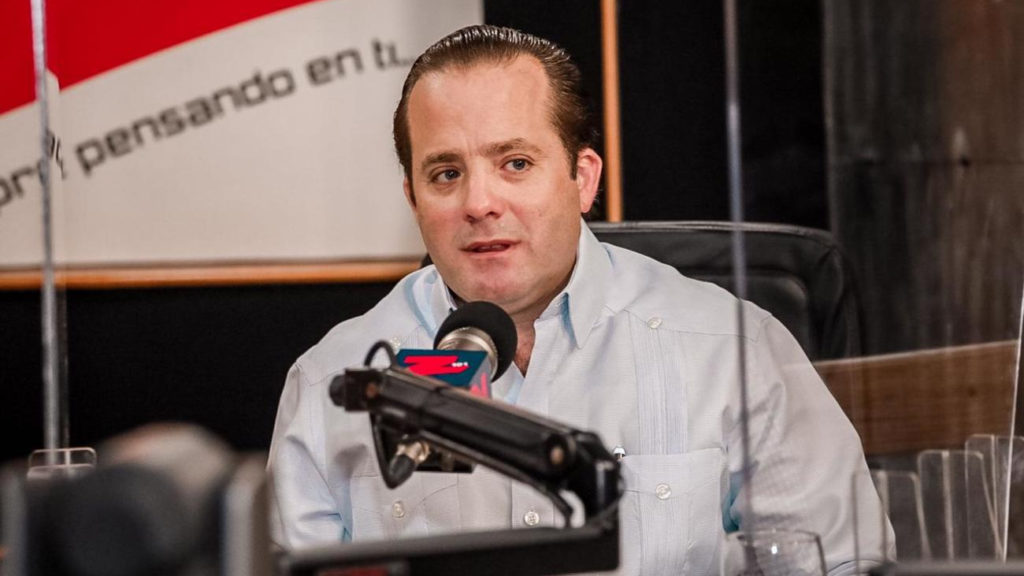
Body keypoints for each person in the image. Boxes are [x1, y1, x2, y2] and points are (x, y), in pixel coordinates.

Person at [268, 24, 890, 575]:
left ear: (583, 178)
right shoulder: (335, 380)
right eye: (446, 174)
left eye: (515, 163)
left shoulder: (732, 349)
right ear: (413, 198)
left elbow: (843, 561)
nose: (479, 203)